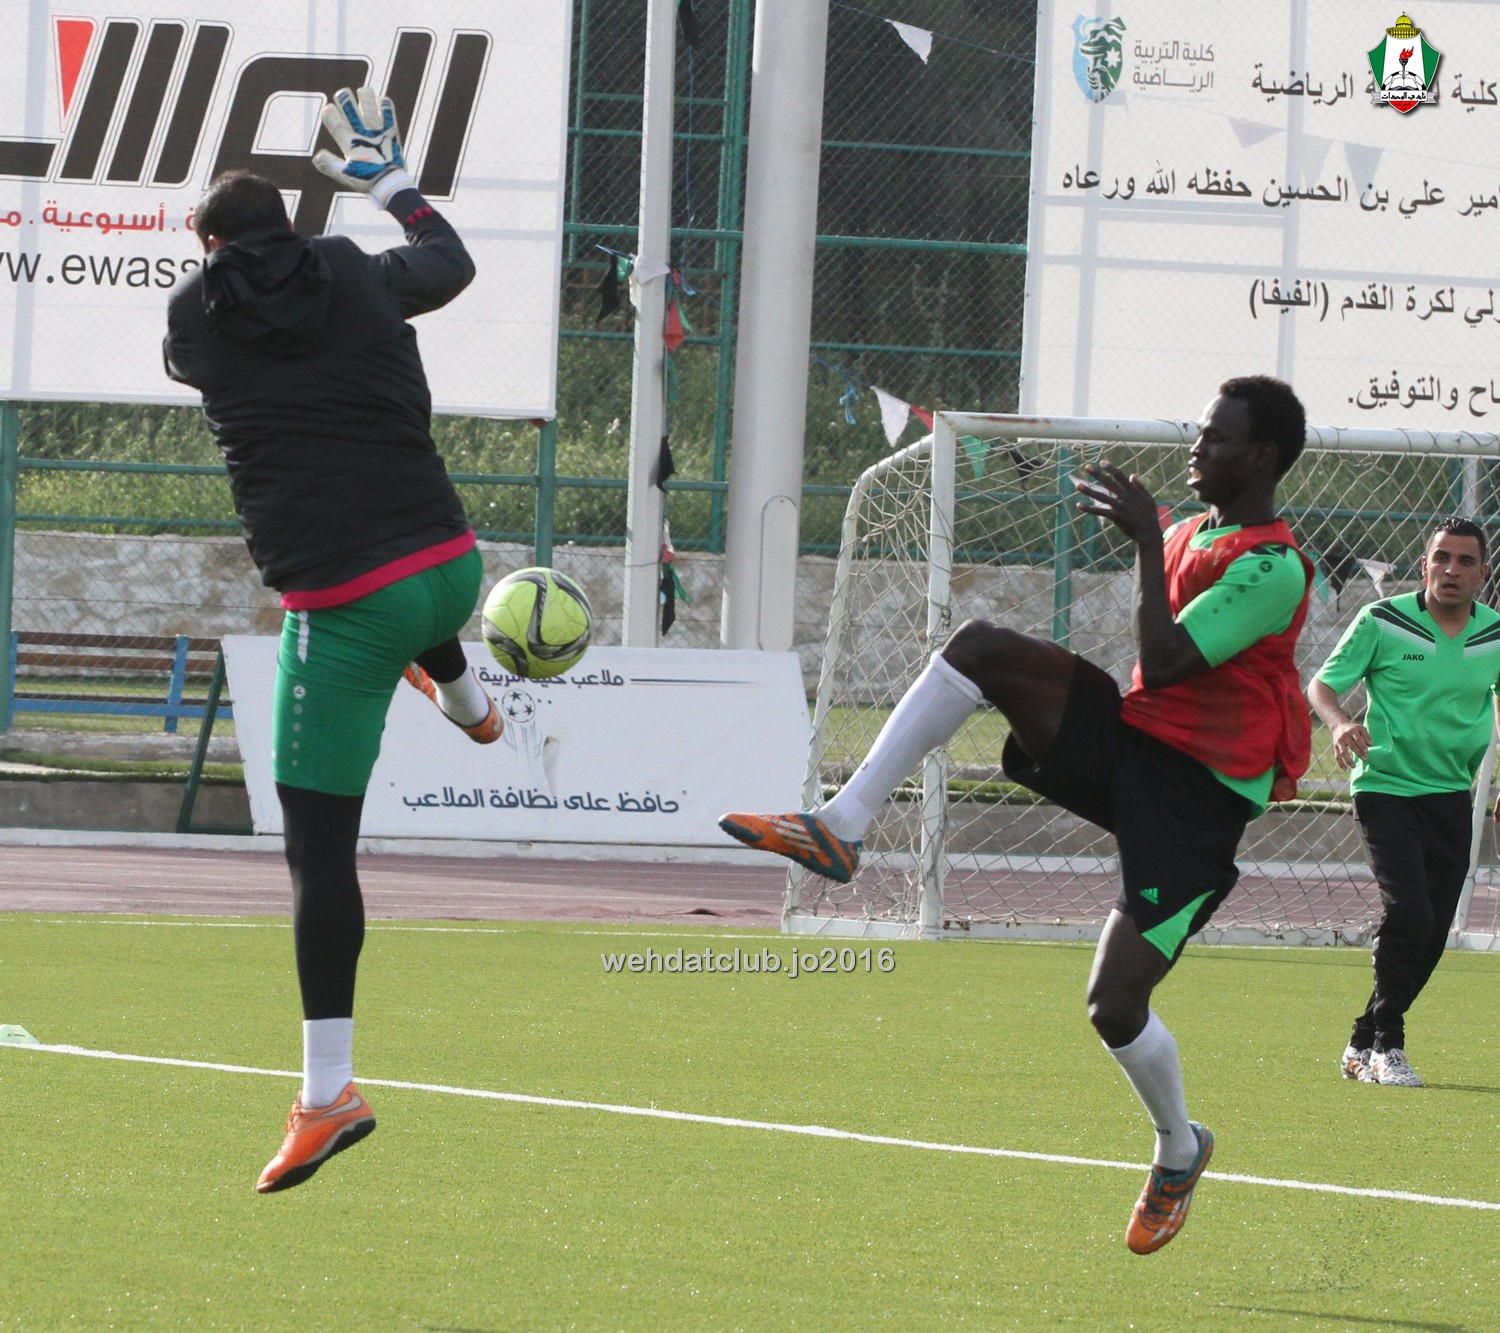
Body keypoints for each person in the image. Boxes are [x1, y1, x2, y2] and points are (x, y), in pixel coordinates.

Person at [722, 376, 1312, 1254]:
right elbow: (1160, 645)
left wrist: (1144, 542)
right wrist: (1147, 533)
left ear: (1260, 457)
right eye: (1200, 430)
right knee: (980, 648)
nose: (1198, 446)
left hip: (1197, 800)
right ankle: (840, 826)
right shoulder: (1195, 531)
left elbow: (1166, 658)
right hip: (1139, 747)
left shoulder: (1274, 566)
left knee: (1114, 1005)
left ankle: (1179, 1148)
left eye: (1217, 436)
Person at [165, 87, 504, 1192]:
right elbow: (449, 265)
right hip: (450, 568)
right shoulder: (352, 268)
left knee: (318, 853)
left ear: (211, 246)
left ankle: (327, 1096)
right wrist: (391, 184)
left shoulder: (195, 310)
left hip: (349, 607)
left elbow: (202, 355)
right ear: (292, 224)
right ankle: (469, 702)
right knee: (419, 605)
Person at [1308, 518, 1500, 1088]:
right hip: (1385, 785)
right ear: (1424, 565)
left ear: (1483, 574)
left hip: (1451, 793)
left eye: (1466, 561)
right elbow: (1321, 685)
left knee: (1434, 931)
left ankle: (1363, 1037)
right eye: (1442, 558)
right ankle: (1387, 1046)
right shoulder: (1382, 620)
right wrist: (1340, 723)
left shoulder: (1495, 634)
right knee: (1410, 911)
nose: (1452, 570)